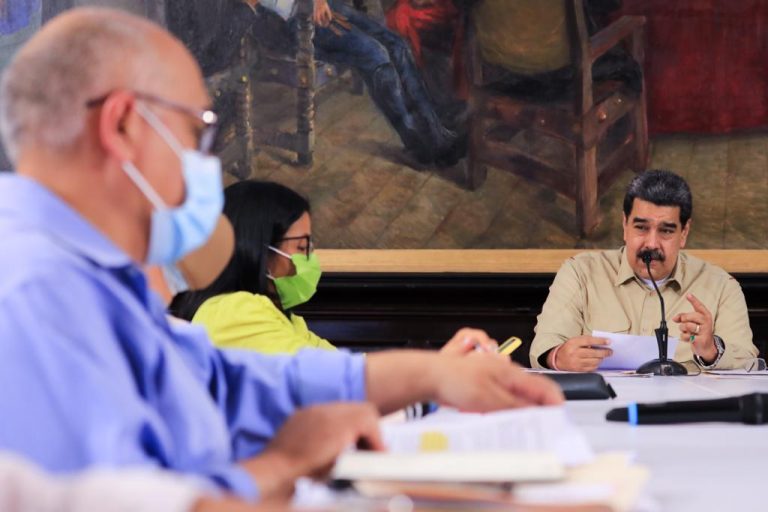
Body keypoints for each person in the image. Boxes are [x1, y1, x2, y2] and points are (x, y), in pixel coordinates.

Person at [0, 7, 562, 503]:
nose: (206, 160)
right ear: (123, 125)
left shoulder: (93, 284)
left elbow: (229, 383)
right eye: (198, 130)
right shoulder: (31, 294)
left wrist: (430, 374)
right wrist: (284, 466)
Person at [171, 180, 496, 356]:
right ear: (259, 249)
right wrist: (435, 373)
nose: (310, 258)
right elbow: (326, 382)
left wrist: (439, 368)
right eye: (301, 247)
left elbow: (344, 369)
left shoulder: (280, 315)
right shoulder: (233, 312)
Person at [530, 170, 758, 372]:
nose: (651, 244)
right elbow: (544, 344)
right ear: (625, 225)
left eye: (666, 231)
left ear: (684, 233)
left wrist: (712, 351)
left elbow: (749, 364)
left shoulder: (721, 287)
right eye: (641, 227)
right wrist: (558, 356)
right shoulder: (581, 273)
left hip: (684, 407)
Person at [246, 0, 463, 165]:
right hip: (293, 23)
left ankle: (437, 134)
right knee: (377, 56)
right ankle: (417, 143)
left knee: (397, 45)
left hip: (317, 5)